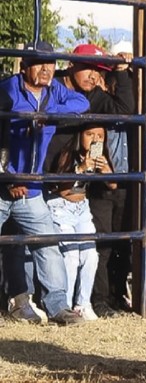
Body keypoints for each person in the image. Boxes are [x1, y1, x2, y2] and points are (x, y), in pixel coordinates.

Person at [0, 41, 88, 325]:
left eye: (50, 64)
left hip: (32, 190)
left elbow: (82, 102)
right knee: (20, 245)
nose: (46, 69)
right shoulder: (6, 91)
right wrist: (9, 176)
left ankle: (57, 306)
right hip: (4, 185)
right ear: (23, 65)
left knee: (46, 244)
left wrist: (49, 115)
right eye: (39, 63)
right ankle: (21, 301)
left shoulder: (54, 92)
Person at [46, 123, 114, 320]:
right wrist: (82, 168)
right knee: (71, 255)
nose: (95, 139)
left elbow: (113, 184)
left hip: (82, 208)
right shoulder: (68, 153)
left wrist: (106, 169)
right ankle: (64, 305)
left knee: (91, 255)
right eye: (89, 134)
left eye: (100, 135)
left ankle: (83, 303)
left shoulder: (100, 157)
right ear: (80, 136)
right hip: (61, 207)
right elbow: (61, 187)